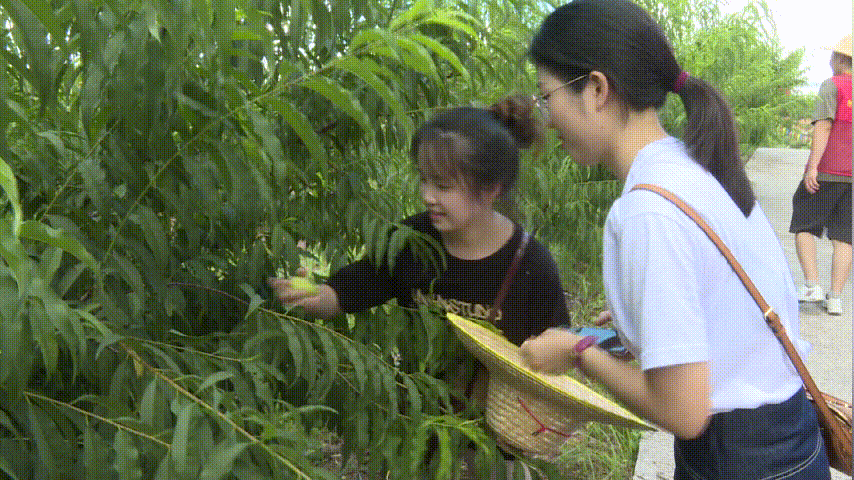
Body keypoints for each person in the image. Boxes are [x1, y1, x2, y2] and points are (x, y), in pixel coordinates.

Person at [518, 1, 832, 478]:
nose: (547, 117)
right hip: (787, 445)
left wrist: (579, 352)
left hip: (739, 463)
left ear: (596, 90)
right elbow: (725, 306)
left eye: (548, 96)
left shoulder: (648, 210)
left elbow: (684, 414)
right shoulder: (693, 166)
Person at [269, 96, 570, 479]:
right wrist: (311, 295)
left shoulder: (531, 265)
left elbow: (557, 348)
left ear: (492, 187)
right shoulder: (413, 242)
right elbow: (354, 288)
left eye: (443, 185)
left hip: (497, 439)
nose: (429, 195)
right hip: (420, 425)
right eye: (424, 180)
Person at [790, 33, 852, 315]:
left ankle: (813, 284)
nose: (829, 60)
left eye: (832, 56)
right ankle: (835, 298)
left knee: (803, 221)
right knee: (844, 236)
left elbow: (824, 126)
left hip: (827, 171)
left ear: (840, 59)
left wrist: (812, 167)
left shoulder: (832, 86)